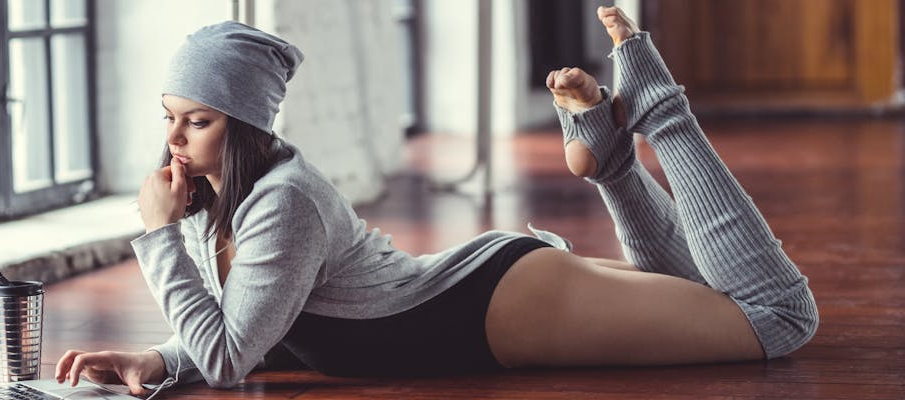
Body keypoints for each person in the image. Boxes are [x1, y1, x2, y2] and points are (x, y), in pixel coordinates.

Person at [53, 7, 818, 396]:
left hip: (500, 306)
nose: (175, 140)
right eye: (170, 117)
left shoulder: (282, 201)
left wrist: (154, 239)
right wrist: (157, 358)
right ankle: (609, 155)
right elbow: (252, 333)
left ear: (246, 123)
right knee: (702, 301)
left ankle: (656, 105)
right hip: (492, 295)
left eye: (199, 120)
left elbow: (226, 362)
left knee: (774, 319)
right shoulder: (226, 198)